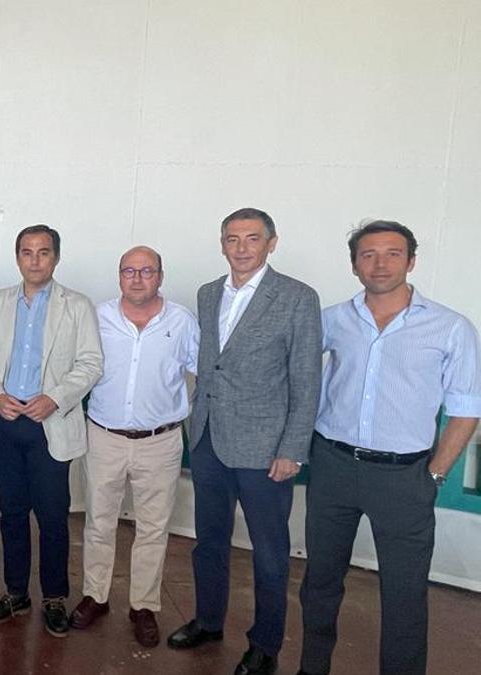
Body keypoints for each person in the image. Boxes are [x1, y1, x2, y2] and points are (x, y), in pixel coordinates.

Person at [299, 221, 481, 675]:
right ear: (355, 264)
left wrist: (434, 475)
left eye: (393, 253)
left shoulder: (451, 327)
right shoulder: (332, 320)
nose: (380, 263)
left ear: (412, 261)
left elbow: (465, 410)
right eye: (368, 254)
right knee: (319, 582)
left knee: (404, 591)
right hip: (333, 468)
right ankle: (312, 666)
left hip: (405, 478)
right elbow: (295, 374)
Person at [167, 208, 322, 675]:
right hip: (210, 437)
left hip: (266, 446)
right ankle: (209, 621)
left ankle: (265, 645)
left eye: (252, 238)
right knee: (208, 541)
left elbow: (306, 379)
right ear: (222, 243)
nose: (241, 247)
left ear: (271, 243)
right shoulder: (209, 292)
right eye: (232, 238)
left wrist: (293, 448)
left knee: (270, 553)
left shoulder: (296, 297)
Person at [0, 224, 103, 637]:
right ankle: (15, 593)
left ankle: (55, 598)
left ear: (56, 258)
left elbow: (91, 363)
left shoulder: (77, 305)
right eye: (27, 252)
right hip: (9, 423)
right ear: (17, 258)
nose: (35, 260)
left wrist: (56, 398)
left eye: (43, 253)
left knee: (52, 517)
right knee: (10, 514)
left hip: (51, 424)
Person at [71, 246, 198, 647]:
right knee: (99, 522)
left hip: (160, 442)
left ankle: (143, 605)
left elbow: (207, 373)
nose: (138, 278)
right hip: (104, 436)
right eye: (129, 270)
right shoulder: (98, 318)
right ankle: (96, 596)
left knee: (153, 528)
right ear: (119, 276)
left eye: (147, 271)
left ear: (161, 276)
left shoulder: (182, 322)